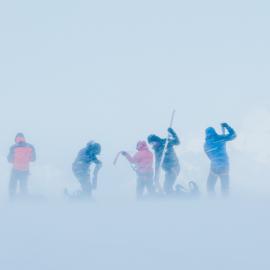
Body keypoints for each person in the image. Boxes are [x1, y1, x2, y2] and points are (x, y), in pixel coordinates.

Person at [204, 123, 237, 197]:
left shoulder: (206, 144)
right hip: (225, 165)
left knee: (210, 186)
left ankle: (212, 201)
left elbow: (209, 156)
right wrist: (227, 126)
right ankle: (225, 202)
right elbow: (233, 135)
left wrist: (215, 160)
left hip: (214, 167)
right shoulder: (220, 138)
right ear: (214, 132)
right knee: (225, 187)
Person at [148, 128, 180, 194]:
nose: (152, 145)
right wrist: (156, 175)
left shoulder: (166, 142)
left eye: (152, 142)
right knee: (167, 188)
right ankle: (175, 198)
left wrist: (173, 133)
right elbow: (157, 163)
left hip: (174, 167)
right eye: (151, 144)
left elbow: (177, 142)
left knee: (167, 187)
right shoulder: (156, 150)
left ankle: (178, 198)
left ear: (156, 140)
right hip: (168, 170)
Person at [7, 133, 36, 199]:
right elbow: (33, 159)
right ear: (24, 138)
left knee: (12, 186)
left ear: (16, 139)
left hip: (15, 170)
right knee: (23, 186)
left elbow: (10, 160)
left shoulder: (13, 147)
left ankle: (12, 199)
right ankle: (23, 201)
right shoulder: (30, 147)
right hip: (25, 170)